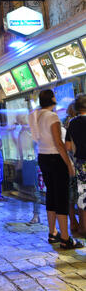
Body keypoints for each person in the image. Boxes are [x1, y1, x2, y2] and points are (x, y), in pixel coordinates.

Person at [28, 89, 83, 249]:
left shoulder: (34, 115)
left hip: (43, 157)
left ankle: (52, 233)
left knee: (51, 194)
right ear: (52, 99)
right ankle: (66, 238)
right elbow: (59, 143)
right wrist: (68, 164)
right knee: (62, 197)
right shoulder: (52, 116)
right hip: (55, 158)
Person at [65, 94, 86, 238]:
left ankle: (83, 228)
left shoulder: (72, 122)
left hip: (80, 162)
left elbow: (67, 146)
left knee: (82, 195)